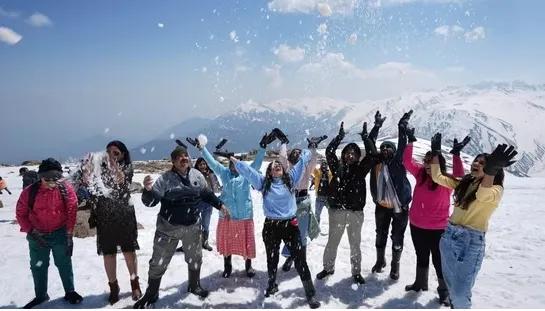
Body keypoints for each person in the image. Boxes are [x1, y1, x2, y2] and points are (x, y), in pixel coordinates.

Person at [134, 145, 230, 308]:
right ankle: (152, 293)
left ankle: (194, 286)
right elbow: (151, 202)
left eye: (186, 155)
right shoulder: (165, 179)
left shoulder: (196, 175)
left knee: (195, 258)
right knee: (158, 262)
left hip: (192, 226)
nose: (184, 158)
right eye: (179, 156)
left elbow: (207, 194)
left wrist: (220, 205)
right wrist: (148, 191)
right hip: (168, 228)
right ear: (173, 161)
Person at [430, 137, 517, 309]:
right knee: (453, 289)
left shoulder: (496, 190)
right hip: (448, 238)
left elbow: (482, 196)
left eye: (483, 163)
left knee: (461, 295)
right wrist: (435, 154)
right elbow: (437, 176)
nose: (476, 163)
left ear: (493, 169)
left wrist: (491, 172)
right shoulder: (465, 183)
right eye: (476, 160)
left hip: (470, 243)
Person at [231, 148, 321, 309]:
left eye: (278, 164)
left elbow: (301, 164)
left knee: (300, 260)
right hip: (271, 227)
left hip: (290, 226)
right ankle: (271, 284)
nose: (276, 165)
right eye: (272, 165)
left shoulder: (291, 180)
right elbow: (249, 172)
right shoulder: (263, 183)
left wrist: (307, 152)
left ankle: (310, 293)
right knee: (272, 260)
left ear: (282, 169)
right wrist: (237, 162)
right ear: (270, 172)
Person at [188, 132, 273, 278]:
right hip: (227, 216)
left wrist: (262, 147)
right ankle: (227, 266)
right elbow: (213, 163)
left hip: (245, 216)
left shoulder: (246, 175)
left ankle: (248, 266)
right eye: (231, 164)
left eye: (236, 163)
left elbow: (257, 163)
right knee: (227, 243)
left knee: (247, 243)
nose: (234, 166)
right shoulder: (224, 173)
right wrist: (202, 149)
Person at [401, 122, 469, 306]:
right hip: (416, 224)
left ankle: (444, 291)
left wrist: (456, 155)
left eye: (433, 162)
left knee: (440, 261)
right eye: (427, 161)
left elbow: (461, 175)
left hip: (438, 228)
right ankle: (420, 283)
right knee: (421, 255)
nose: (429, 165)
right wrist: (410, 142)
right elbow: (406, 162)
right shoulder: (420, 174)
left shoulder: (447, 180)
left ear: (439, 163)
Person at [15, 158, 83, 308]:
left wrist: (69, 235)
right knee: (38, 265)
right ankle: (41, 295)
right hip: (36, 234)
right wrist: (32, 232)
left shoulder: (66, 189)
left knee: (64, 262)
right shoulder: (29, 193)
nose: (51, 181)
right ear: (40, 177)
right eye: (47, 178)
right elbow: (21, 214)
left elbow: (72, 210)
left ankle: (70, 291)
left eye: (56, 178)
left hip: (60, 233)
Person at [81, 141, 141, 304]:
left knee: (129, 250)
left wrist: (111, 162)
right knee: (108, 253)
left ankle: (135, 283)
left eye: (116, 153)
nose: (110, 155)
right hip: (104, 215)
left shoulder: (127, 167)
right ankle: (114, 287)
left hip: (123, 215)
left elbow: (120, 180)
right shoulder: (99, 169)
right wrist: (87, 167)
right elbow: (87, 182)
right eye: (108, 152)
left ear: (123, 155)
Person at [315, 121, 376, 284]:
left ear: (357, 157)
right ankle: (328, 268)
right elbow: (329, 151)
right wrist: (339, 137)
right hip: (337, 212)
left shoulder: (361, 170)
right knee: (332, 243)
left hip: (355, 213)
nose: (350, 155)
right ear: (343, 155)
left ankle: (356, 272)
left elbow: (372, 155)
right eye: (347, 152)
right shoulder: (337, 168)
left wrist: (365, 137)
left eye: (353, 153)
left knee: (355, 244)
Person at [368, 111, 413, 280]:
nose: (385, 149)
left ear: (394, 152)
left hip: (399, 207)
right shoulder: (377, 163)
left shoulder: (398, 163)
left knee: (397, 237)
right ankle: (380, 261)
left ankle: (395, 266)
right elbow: (370, 142)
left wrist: (402, 127)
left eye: (389, 147)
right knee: (380, 234)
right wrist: (377, 126)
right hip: (381, 206)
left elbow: (402, 145)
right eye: (383, 147)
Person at [277, 130, 326, 272]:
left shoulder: (306, 168)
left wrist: (312, 148)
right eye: (294, 152)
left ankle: (301, 259)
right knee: (289, 233)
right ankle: (290, 257)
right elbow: (281, 157)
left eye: (299, 152)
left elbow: (313, 159)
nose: (296, 153)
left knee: (302, 233)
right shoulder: (287, 168)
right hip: (290, 202)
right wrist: (284, 144)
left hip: (303, 202)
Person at [313, 159, 331, 225]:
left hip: (328, 198)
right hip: (319, 197)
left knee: (332, 213)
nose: (324, 166)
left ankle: (333, 226)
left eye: (325, 164)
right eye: (323, 164)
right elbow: (312, 168)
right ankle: (316, 227)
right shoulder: (317, 172)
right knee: (317, 214)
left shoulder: (330, 173)